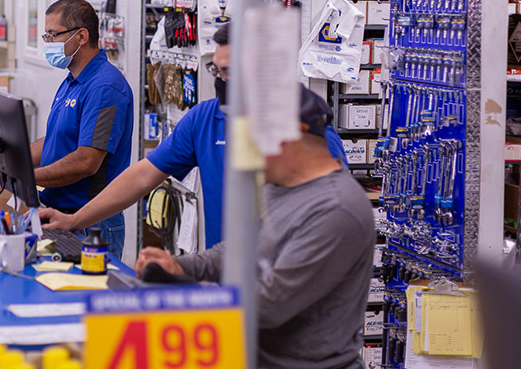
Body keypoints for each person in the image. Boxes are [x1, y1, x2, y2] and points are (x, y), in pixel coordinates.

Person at [40, 23, 348, 249]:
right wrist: (74, 221)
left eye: (229, 71)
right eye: (216, 71)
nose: (221, 80)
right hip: (226, 273)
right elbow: (142, 176)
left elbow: (331, 221)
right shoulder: (206, 118)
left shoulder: (306, 130)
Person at [135, 86, 375, 369]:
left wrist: (184, 289)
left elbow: (268, 305)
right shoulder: (278, 187)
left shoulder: (337, 209)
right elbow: (241, 249)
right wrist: (181, 266)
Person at [31, 0, 133, 259]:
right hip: (60, 214)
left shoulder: (105, 87)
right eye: (46, 35)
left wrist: (28, 177)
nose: (47, 43)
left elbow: (86, 161)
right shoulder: (72, 80)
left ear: (81, 36)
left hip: (91, 223)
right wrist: (8, 160)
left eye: (53, 35)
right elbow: (55, 139)